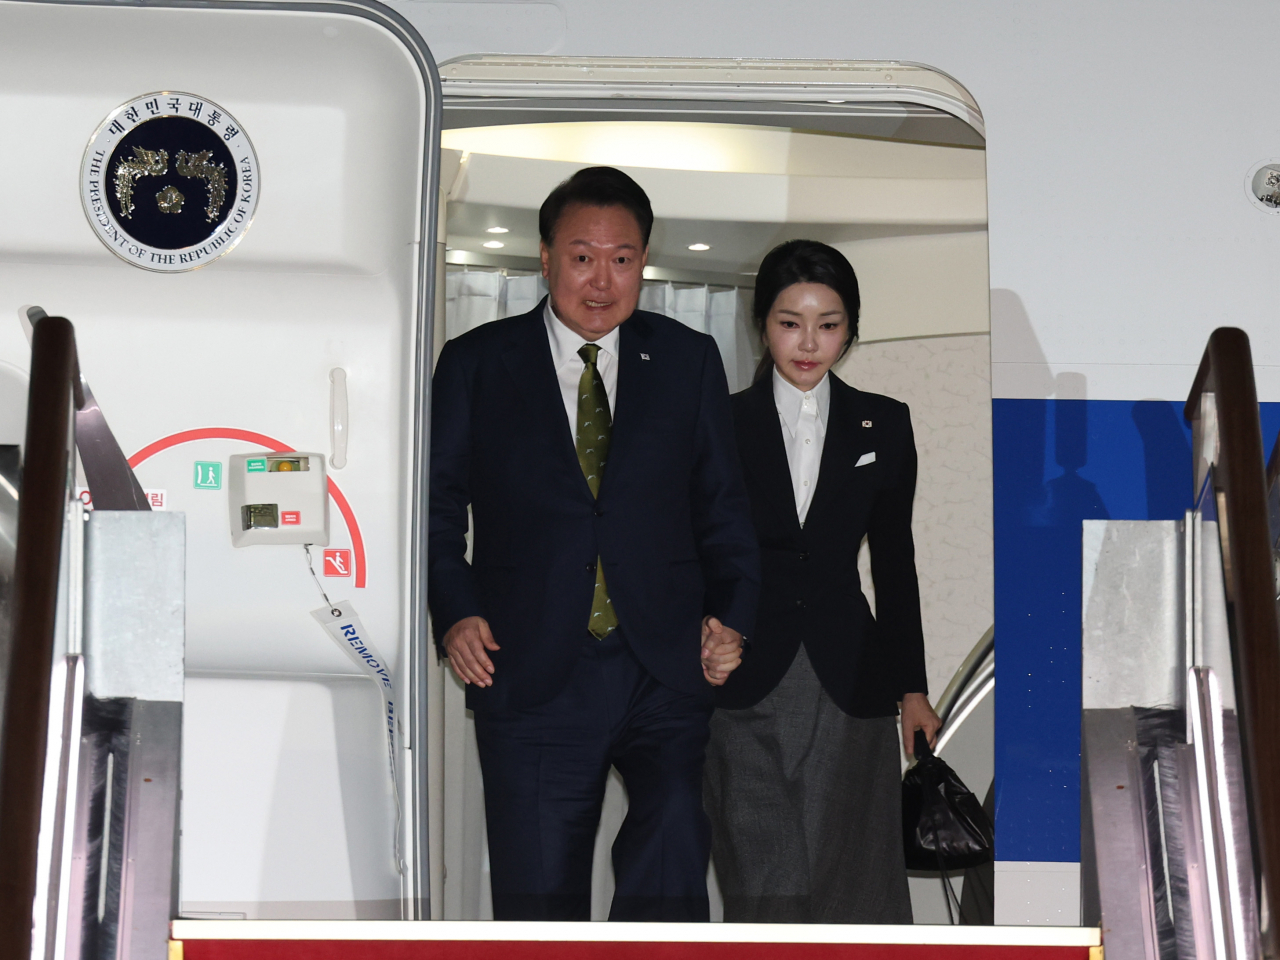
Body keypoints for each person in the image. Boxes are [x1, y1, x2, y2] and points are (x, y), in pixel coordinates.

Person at [428, 166, 760, 922]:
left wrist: (732, 615)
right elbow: (439, 508)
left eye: (623, 258)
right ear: (544, 258)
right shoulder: (478, 364)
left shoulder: (688, 360)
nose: (602, 280)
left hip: (663, 662)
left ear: (644, 260)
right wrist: (455, 610)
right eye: (582, 257)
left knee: (674, 844)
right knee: (538, 888)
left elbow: (723, 507)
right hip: (533, 660)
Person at [703, 239, 941, 924]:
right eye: (789, 321)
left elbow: (894, 562)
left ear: (851, 329)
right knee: (761, 873)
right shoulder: (720, 420)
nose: (808, 342)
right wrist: (703, 629)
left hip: (850, 676)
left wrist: (913, 689)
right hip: (742, 674)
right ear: (762, 324)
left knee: (852, 873)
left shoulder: (884, 422)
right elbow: (690, 546)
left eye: (829, 324)